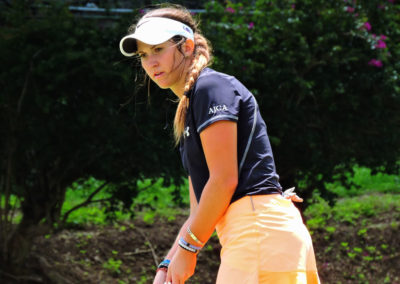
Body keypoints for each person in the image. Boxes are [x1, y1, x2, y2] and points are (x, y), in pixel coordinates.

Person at [119, 4, 320, 284]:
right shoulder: (189, 111)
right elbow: (199, 210)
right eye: (143, 54)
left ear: (186, 46)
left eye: (158, 49)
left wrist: (189, 249)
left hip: (260, 232)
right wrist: (167, 264)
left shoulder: (211, 88)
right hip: (255, 236)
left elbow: (224, 180)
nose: (150, 62)